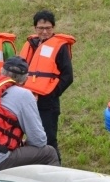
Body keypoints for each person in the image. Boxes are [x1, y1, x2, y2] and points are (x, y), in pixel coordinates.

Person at [20, 10, 75, 164]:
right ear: (35, 28)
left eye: (48, 28)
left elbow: (67, 76)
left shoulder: (59, 47)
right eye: (40, 28)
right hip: (27, 101)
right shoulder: (30, 45)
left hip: (48, 102)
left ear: (53, 28)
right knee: (29, 139)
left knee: (49, 140)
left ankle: (57, 171)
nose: (44, 32)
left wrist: (51, 93)